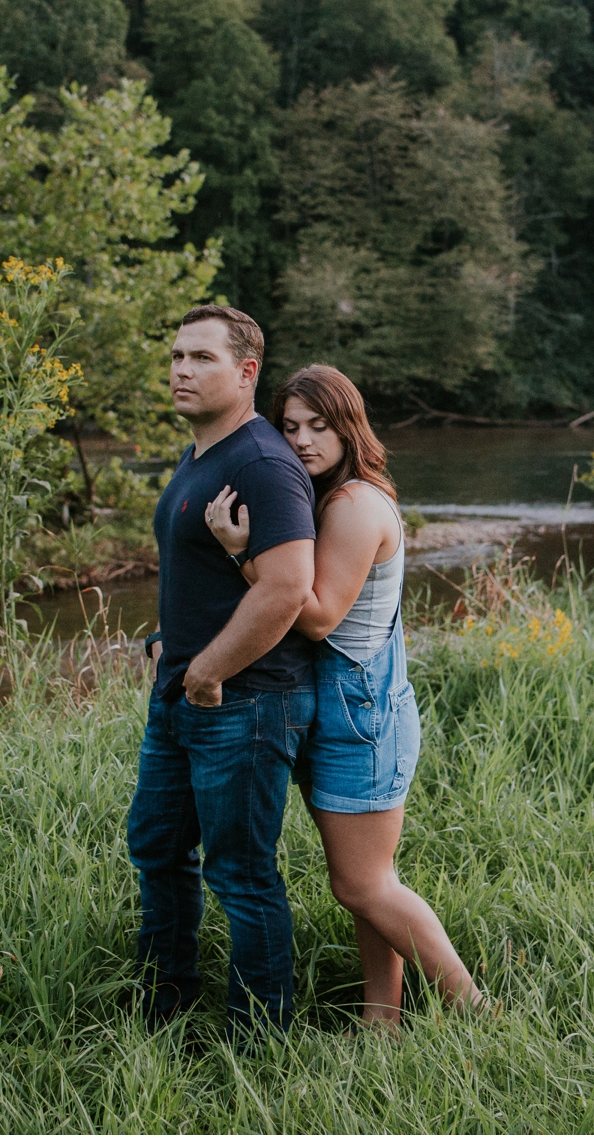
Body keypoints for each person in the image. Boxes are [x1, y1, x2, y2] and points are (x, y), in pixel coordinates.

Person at [207, 363, 484, 1027]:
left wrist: (242, 554)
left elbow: (320, 615)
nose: (302, 439)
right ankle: (380, 1020)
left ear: (349, 425)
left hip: (362, 710)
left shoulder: (355, 505)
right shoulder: (333, 496)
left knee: (363, 883)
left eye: (319, 425)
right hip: (342, 703)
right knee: (364, 884)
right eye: (291, 426)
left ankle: (477, 1012)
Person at [127, 305, 318, 1038]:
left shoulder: (263, 463)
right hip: (184, 694)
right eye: (176, 354)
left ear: (246, 372)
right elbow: (206, 573)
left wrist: (207, 670)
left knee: (240, 874)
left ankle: (258, 1038)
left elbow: (285, 587)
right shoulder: (201, 453)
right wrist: (165, 642)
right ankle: (162, 1007)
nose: (180, 368)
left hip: (245, 701)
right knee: (157, 846)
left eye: (200, 357)